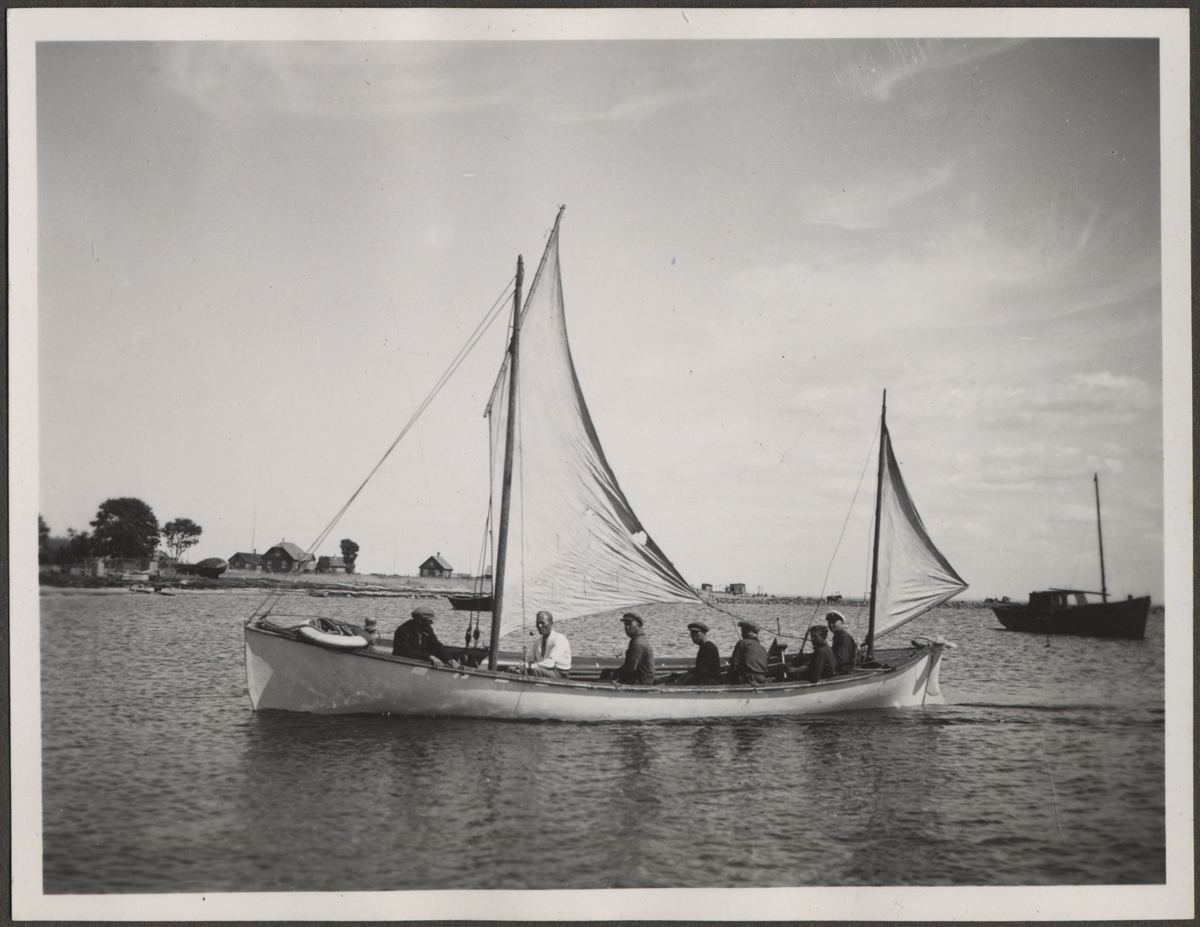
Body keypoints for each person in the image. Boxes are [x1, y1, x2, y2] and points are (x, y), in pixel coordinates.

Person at [392, 604, 460, 668]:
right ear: (420, 621)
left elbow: (436, 645)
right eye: (429, 621)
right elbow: (407, 652)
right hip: (402, 665)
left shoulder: (427, 629)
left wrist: (449, 658)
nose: (431, 623)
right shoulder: (403, 631)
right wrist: (429, 657)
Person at [520, 610, 572, 678]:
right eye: (538, 623)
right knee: (520, 670)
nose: (539, 626)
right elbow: (529, 659)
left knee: (535, 670)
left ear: (551, 623)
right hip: (544, 670)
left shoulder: (560, 639)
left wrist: (535, 665)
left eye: (542, 623)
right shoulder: (537, 642)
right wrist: (524, 665)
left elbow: (550, 663)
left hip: (559, 674)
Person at [613, 611, 656, 684]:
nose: (626, 626)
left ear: (638, 626)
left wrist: (616, 677)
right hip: (642, 680)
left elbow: (631, 669)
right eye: (625, 624)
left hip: (642, 683)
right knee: (606, 673)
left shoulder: (638, 643)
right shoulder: (637, 640)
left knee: (606, 676)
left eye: (630, 624)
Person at [728, 619, 769, 686]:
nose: (741, 634)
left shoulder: (741, 643)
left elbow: (734, 666)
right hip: (762, 678)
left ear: (747, 632)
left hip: (747, 679)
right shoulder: (762, 648)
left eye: (742, 631)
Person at [825, 610, 858, 675]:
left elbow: (841, 660)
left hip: (845, 669)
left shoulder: (843, 637)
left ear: (842, 623)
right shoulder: (838, 635)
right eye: (829, 622)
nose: (831, 625)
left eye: (834, 622)